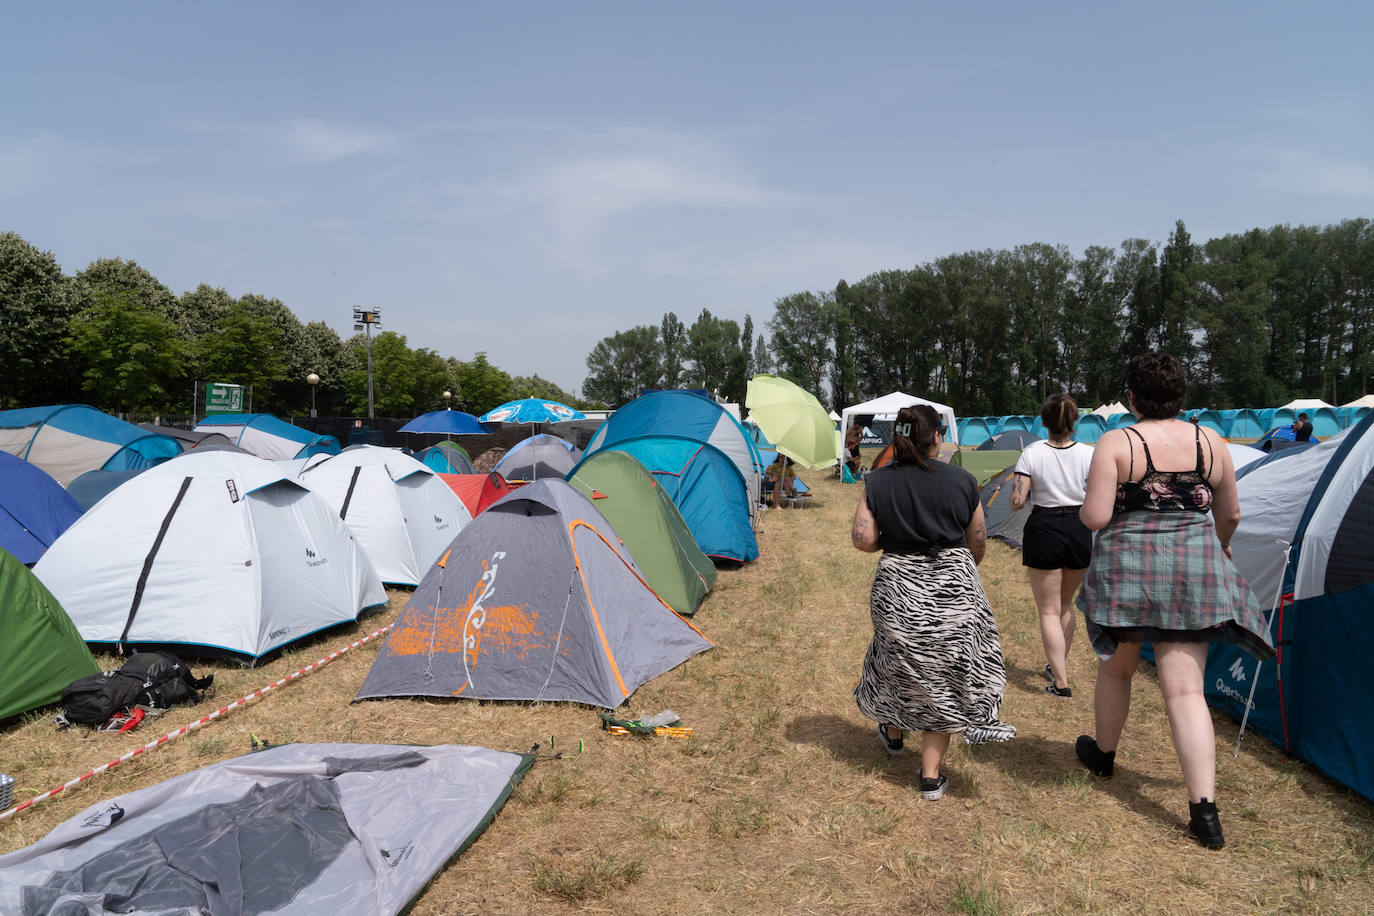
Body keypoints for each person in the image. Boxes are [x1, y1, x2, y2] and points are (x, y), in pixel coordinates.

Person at [1074, 352, 1275, 849]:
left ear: (1133, 397)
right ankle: (1203, 811)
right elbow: (1230, 514)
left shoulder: (1117, 442)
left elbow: (1096, 518)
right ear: (1180, 395)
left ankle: (1103, 755)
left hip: (1130, 575)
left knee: (1116, 670)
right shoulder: (1211, 441)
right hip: (1194, 572)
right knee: (1185, 692)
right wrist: (1221, 545)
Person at [851, 404, 1015, 801]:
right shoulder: (961, 480)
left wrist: (893, 540)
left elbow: (863, 539)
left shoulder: (878, 481)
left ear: (897, 437)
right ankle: (930, 776)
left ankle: (893, 732)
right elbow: (977, 541)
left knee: (897, 658)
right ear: (937, 436)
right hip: (953, 586)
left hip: (897, 587)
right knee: (946, 673)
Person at [1009, 394, 1094, 698]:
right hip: (1079, 528)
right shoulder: (1089, 454)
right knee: (1065, 604)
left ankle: (1060, 682)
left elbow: (1017, 503)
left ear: (1043, 422)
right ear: (1075, 422)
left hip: (1044, 527)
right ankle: (1057, 665)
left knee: (1048, 611)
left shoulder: (1031, 453)